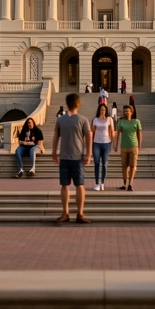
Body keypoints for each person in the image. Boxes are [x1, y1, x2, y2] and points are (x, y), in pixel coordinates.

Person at [51, 92, 93, 223]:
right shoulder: (83, 119)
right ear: (78, 103)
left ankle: (66, 213)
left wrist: (54, 152)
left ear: (67, 104)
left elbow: (55, 136)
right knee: (80, 185)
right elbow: (89, 137)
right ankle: (79, 214)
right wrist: (88, 154)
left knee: (65, 185)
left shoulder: (61, 119)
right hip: (77, 157)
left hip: (65, 157)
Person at [114, 105, 142, 191]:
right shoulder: (121, 121)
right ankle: (124, 183)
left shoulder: (136, 122)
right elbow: (117, 134)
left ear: (131, 112)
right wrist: (116, 145)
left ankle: (130, 184)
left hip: (134, 146)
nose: (126, 112)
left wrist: (139, 147)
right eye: (124, 111)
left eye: (127, 111)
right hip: (124, 146)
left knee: (133, 166)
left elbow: (139, 134)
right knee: (124, 166)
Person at [91, 103, 115, 191]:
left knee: (104, 164)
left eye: (104, 109)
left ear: (106, 110)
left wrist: (113, 143)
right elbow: (92, 130)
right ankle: (97, 183)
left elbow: (112, 131)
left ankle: (102, 182)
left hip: (106, 142)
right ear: (99, 110)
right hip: (96, 143)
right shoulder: (95, 119)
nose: (102, 111)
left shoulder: (109, 119)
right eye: (101, 109)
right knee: (97, 163)